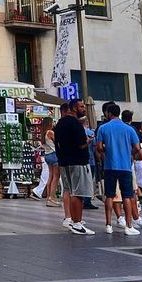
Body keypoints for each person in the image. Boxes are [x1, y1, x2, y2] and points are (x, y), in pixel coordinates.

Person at [95, 103, 142, 236]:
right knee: (127, 196)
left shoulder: (103, 128)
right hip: (125, 167)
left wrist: (106, 151)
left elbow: (98, 147)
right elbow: (138, 148)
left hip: (109, 166)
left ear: (109, 114)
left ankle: (108, 224)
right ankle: (128, 226)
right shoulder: (129, 129)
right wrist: (130, 154)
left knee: (109, 195)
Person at [54, 99, 94, 235]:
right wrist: (88, 141)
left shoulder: (60, 123)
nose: (84, 108)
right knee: (79, 193)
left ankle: (72, 220)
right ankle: (77, 223)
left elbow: (58, 143)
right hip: (78, 161)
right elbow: (81, 144)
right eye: (81, 106)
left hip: (64, 162)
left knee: (71, 191)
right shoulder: (75, 123)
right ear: (74, 108)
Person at [80, 116, 99, 210]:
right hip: (90, 160)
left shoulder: (77, 132)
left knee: (81, 181)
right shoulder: (91, 133)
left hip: (79, 160)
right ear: (87, 122)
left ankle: (81, 199)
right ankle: (87, 200)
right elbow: (95, 148)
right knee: (89, 181)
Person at [41, 117, 60, 206]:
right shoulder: (50, 132)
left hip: (47, 155)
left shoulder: (43, 134)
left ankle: (49, 197)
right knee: (56, 177)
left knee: (50, 176)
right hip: (54, 154)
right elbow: (58, 142)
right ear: (49, 123)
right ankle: (52, 198)